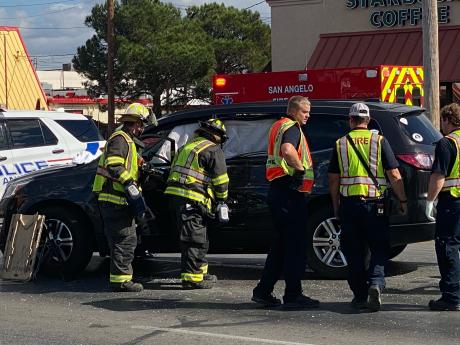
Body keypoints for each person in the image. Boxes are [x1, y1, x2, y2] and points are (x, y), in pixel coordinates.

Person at [328, 102, 407, 312]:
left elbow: (333, 180)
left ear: (350, 120)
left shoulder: (340, 144)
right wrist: (402, 200)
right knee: (379, 246)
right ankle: (375, 282)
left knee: (354, 251)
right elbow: (394, 174)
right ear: (369, 120)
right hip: (376, 205)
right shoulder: (379, 141)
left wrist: (336, 206)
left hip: (349, 205)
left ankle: (360, 296)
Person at [252, 96, 319, 309]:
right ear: (293, 111)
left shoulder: (277, 126)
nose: (307, 115)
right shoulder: (292, 127)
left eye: (308, 111)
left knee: (280, 246)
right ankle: (293, 294)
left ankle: (263, 291)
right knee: (295, 246)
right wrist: (300, 171)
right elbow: (288, 150)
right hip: (289, 191)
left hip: (278, 190)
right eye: (304, 111)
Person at [165, 119, 230, 289]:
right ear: (217, 136)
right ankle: (191, 279)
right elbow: (221, 180)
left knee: (199, 236)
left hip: (178, 198)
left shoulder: (187, 146)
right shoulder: (212, 149)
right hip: (192, 198)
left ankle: (200, 272)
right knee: (194, 239)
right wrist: (222, 200)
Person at [92, 102, 150, 292]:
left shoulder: (127, 140)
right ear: (135, 123)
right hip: (115, 199)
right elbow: (115, 164)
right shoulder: (121, 139)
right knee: (124, 241)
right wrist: (129, 183)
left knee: (124, 240)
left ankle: (121, 278)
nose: (141, 129)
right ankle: (121, 281)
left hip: (117, 200)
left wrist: (142, 166)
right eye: (141, 124)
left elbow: (127, 162)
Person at [425, 103, 460, 311]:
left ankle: (451, 296)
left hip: (452, 202)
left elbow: (439, 176)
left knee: (447, 247)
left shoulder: (447, 143)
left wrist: (430, 201)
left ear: (447, 120)